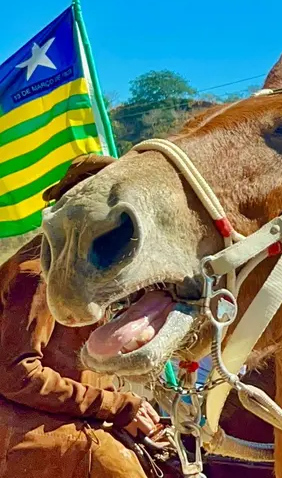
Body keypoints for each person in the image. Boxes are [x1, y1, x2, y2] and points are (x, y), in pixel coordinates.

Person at [0, 156, 165, 478]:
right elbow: (17, 374)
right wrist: (117, 407)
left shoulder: (85, 272)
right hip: (39, 445)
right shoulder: (37, 274)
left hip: (77, 430)